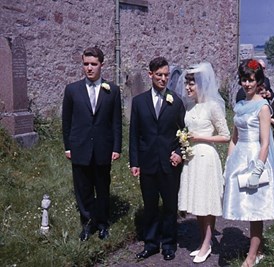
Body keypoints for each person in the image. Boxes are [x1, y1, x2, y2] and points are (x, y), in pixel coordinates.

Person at [223, 59, 274, 267]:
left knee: (256, 209)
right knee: (245, 206)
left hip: (257, 158)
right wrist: (228, 163)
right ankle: (256, 250)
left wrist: (258, 169)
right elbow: (234, 138)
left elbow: (265, 143)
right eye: (244, 80)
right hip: (240, 156)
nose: (247, 84)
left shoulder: (263, 107)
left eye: (251, 80)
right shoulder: (239, 105)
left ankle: (251, 256)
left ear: (258, 81)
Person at [62, 47, 122, 241]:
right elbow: (67, 121)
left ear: (101, 65)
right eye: (86, 64)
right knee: (83, 188)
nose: (89, 68)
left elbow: (116, 122)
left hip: (103, 148)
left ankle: (103, 223)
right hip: (80, 147)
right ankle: (87, 224)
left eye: (93, 64)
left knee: (102, 188)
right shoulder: (72, 90)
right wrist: (68, 146)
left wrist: (116, 147)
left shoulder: (112, 90)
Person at [129, 56, 186, 261]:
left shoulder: (176, 101)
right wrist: (134, 162)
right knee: (150, 205)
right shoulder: (139, 102)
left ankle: (169, 244)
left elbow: (185, 131)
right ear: (150, 75)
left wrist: (180, 153)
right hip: (147, 162)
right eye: (159, 75)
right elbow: (134, 134)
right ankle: (151, 243)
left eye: (166, 75)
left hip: (170, 163)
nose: (163, 79)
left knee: (170, 205)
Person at [174, 62, 230, 263]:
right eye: (187, 84)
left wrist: (200, 137)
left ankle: (207, 244)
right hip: (191, 158)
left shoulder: (213, 106)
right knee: (197, 202)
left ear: (202, 85)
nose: (188, 88)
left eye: (192, 84)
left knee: (207, 202)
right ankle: (203, 241)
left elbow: (225, 136)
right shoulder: (189, 106)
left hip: (206, 157)